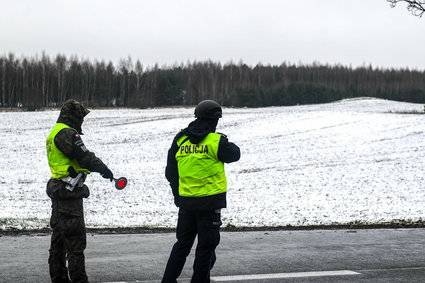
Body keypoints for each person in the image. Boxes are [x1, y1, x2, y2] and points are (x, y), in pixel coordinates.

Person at [162, 100, 241, 283]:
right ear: (215, 120)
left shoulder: (180, 139)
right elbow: (235, 154)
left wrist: (178, 196)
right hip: (210, 204)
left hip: (186, 203)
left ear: (196, 116)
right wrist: (224, 140)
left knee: (182, 245)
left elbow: (170, 172)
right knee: (206, 249)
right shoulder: (216, 141)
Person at [46, 99, 114, 283]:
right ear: (74, 117)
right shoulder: (68, 134)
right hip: (69, 194)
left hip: (60, 191)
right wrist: (104, 169)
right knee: (75, 243)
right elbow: (84, 157)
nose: (82, 120)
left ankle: (58, 278)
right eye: (80, 116)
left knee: (59, 241)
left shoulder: (56, 132)